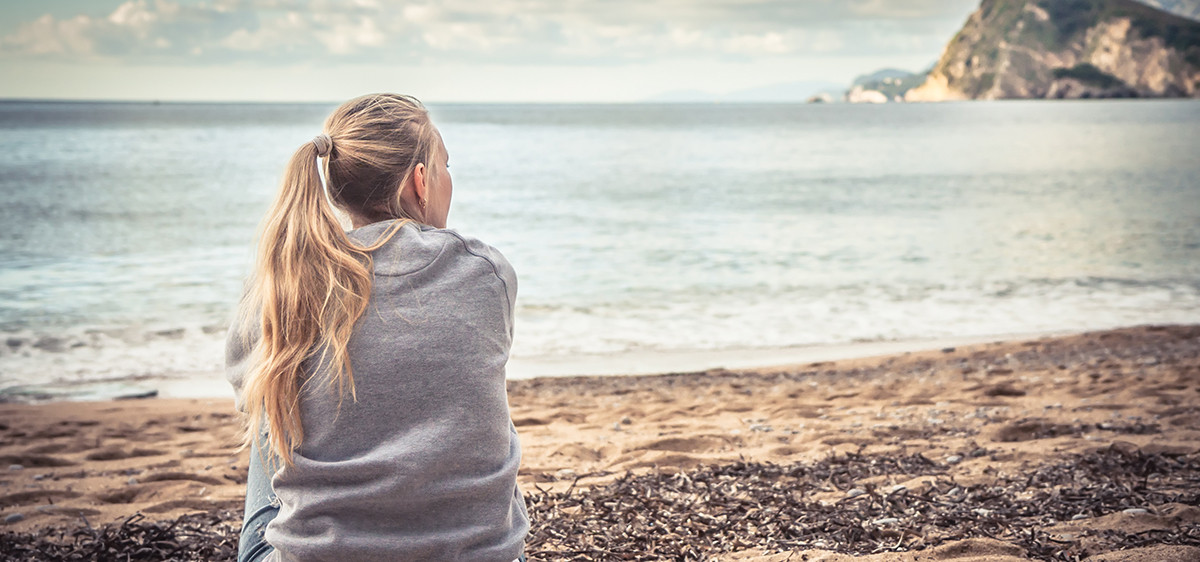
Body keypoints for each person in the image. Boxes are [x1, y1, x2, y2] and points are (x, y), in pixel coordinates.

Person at [225, 93, 528, 562]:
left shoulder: (280, 286)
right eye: (446, 167)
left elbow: (248, 394)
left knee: (275, 401)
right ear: (420, 182)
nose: (450, 180)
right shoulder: (485, 271)